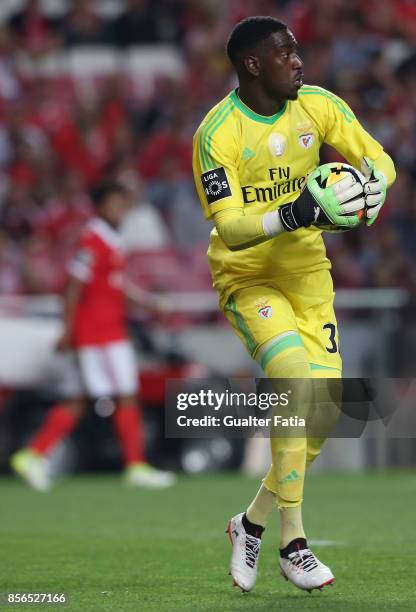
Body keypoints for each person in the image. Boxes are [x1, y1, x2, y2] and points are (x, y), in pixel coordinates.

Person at [192, 17, 395, 593]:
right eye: (286, 54)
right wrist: (294, 212)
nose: (299, 62)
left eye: (298, 51)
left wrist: (374, 191)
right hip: (249, 276)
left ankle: (248, 522)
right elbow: (230, 228)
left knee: (325, 413)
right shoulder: (218, 132)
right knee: (292, 378)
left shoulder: (319, 105)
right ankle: (293, 542)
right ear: (253, 65)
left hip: (307, 274)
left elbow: (378, 158)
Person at [11, 181, 176, 491]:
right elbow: (73, 286)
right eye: (113, 204)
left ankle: (33, 455)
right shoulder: (92, 240)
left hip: (103, 332)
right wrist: (68, 330)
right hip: (101, 335)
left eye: (121, 204)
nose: (119, 210)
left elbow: (115, 286)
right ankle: (136, 465)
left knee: (81, 400)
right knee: (125, 394)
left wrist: (150, 305)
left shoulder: (109, 240)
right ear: (100, 207)